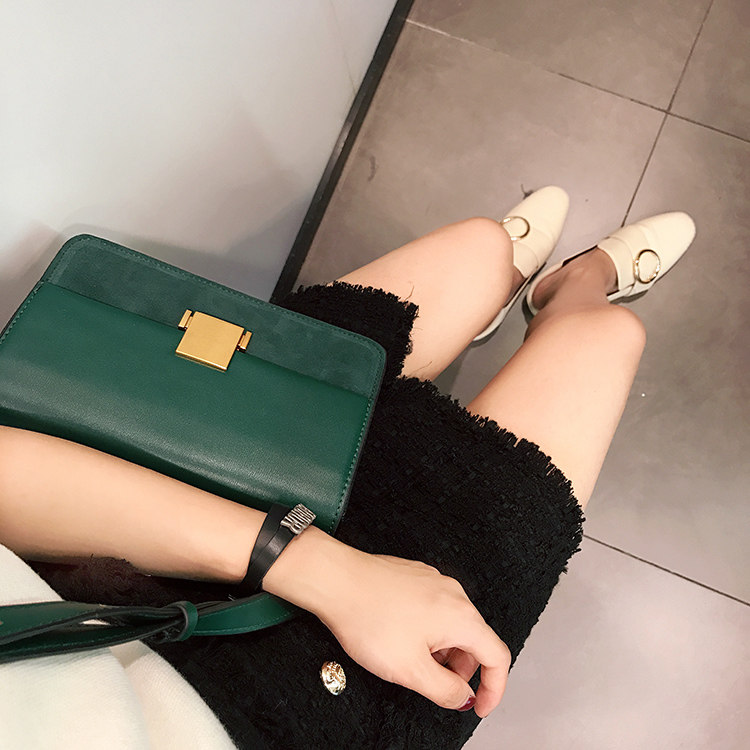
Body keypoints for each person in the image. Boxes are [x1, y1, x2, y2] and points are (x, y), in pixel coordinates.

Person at [0, 187, 695, 749]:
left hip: (109, 518)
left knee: (479, 250)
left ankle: (506, 279)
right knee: (604, 340)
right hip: (330, 710)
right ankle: (578, 285)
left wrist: (319, 567)